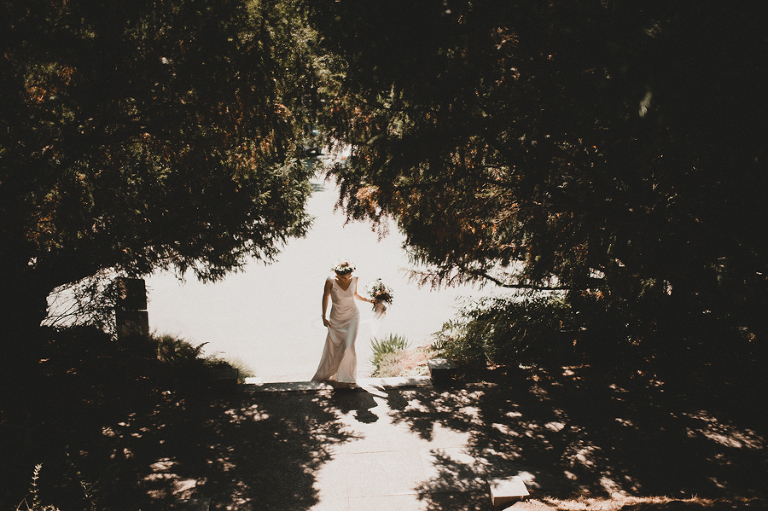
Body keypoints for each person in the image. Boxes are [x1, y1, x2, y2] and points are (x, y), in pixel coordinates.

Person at [311, 260, 374, 388]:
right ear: (337, 275)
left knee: (349, 345)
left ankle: (348, 378)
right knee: (335, 346)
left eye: (349, 276)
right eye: (344, 277)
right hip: (336, 318)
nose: (347, 279)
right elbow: (325, 297)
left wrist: (369, 300)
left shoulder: (355, 278)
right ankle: (334, 373)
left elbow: (354, 294)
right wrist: (323, 317)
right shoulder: (330, 281)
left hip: (352, 316)